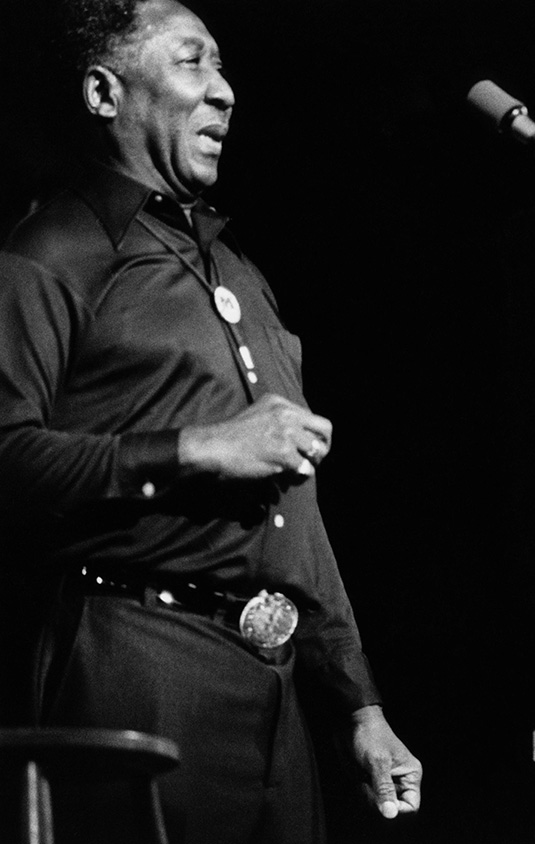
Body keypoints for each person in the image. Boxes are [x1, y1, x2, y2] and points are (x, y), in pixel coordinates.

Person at [0, 1, 421, 841]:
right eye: (194, 63)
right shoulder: (50, 253)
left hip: (274, 683)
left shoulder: (238, 273)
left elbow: (293, 513)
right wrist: (197, 448)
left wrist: (359, 702)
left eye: (224, 69)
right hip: (137, 664)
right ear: (103, 91)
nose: (225, 93)